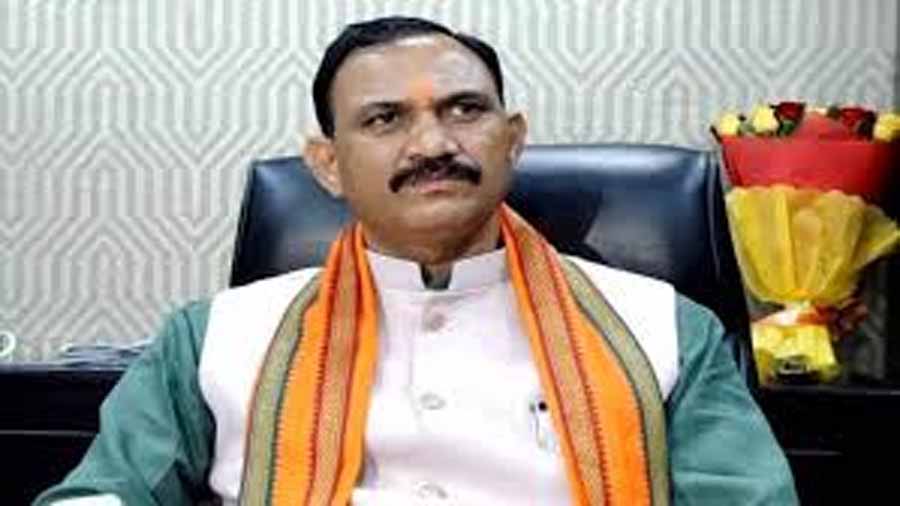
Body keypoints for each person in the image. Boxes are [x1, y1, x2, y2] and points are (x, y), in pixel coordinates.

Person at [36, 16, 798, 506]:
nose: (433, 143)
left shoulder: (664, 329)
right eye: (385, 119)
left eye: (464, 109)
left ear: (513, 139)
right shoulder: (213, 337)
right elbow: (105, 493)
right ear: (327, 165)